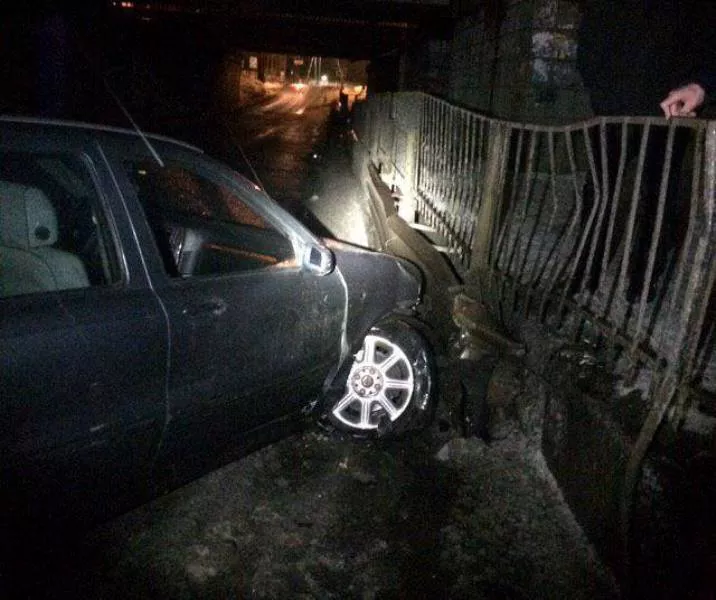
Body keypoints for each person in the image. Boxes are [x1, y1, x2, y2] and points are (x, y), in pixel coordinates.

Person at [574, 0, 716, 301]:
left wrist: (701, 86)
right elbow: (591, 36)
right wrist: (601, 93)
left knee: (658, 196)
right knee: (599, 191)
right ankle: (585, 271)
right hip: (614, 112)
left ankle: (643, 280)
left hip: (669, 112)